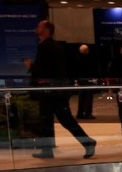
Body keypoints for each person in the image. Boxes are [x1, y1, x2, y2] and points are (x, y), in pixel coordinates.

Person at [23, 20, 96, 159]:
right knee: (62, 119)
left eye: (39, 26)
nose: (36, 28)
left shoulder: (45, 47)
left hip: (50, 92)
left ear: (46, 30)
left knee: (49, 119)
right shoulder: (55, 46)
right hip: (57, 91)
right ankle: (84, 143)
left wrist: (31, 67)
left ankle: (84, 143)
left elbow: (45, 70)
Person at [74, 44, 98, 119]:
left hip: (81, 80)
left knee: (81, 98)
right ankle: (88, 113)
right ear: (84, 51)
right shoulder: (87, 59)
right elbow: (90, 70)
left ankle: (80, 113)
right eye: (87, 49)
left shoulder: (77, 58)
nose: (88, 51)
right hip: (87, 80)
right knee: (88, 97)